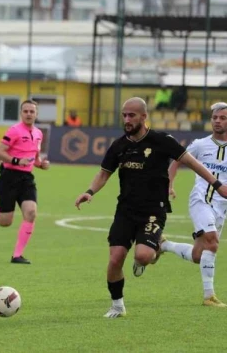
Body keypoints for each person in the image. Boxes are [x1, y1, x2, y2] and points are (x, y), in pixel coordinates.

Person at [74, 97, 227, 318]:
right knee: (115, 259)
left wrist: (217, 185)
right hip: (125, 211)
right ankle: (117, 306)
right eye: (124, 115)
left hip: (154, 211)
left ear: (144, 116)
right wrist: (89, 192)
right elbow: (104, 174)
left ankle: (156, 249)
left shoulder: (162, 140)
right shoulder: (119, 145)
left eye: (132, 115)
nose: (127, 120)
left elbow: (192, 163)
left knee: (143, 256)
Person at [162, 102, 227, 308]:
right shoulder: (200, 145)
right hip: (201, 200)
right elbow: (177, 161)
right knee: (212, 241)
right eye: (215, 118)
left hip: (221, 208)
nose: (217, 121)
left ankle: (163, 245)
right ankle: (209, 296)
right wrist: (169, 184)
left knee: (199, 255)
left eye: (222, 118)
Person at [0, 100, 49, 264]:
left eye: (32, 111)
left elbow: (34, 158)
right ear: (21, 113)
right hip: (9, 177)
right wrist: (16, 161)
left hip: (27, 179)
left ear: (36, 114)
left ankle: (17, 255)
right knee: (5, 221)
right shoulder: (14, 131)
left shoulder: (38, 134)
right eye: (25, 111)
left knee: (31, 213)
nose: (28, 114)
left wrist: (41, 164)